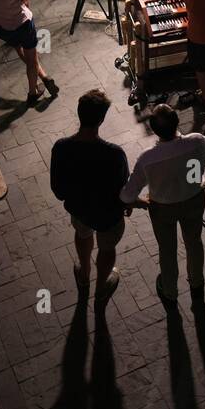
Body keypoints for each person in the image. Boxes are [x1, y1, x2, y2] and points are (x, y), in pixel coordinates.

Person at [120, 103, 205, 306]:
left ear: (154, 130)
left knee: (167, 250)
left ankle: (170, 291)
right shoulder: (197, 142)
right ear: (177, 121)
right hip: (194, 200)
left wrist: (141, 202)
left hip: (163, 209)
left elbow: (127, 196)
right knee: (194, 243)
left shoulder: (147, 159)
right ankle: (197, 285)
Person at [51, 89, 130, 302]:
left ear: (79, 113)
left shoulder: (61, 148)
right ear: (102, 119)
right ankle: (101, 288)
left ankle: (84, 274)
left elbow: (59, 191)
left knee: (83, 234)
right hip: (108, 215)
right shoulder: (114, 154)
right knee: (106, 248)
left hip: (80, 210)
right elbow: (124, 189)